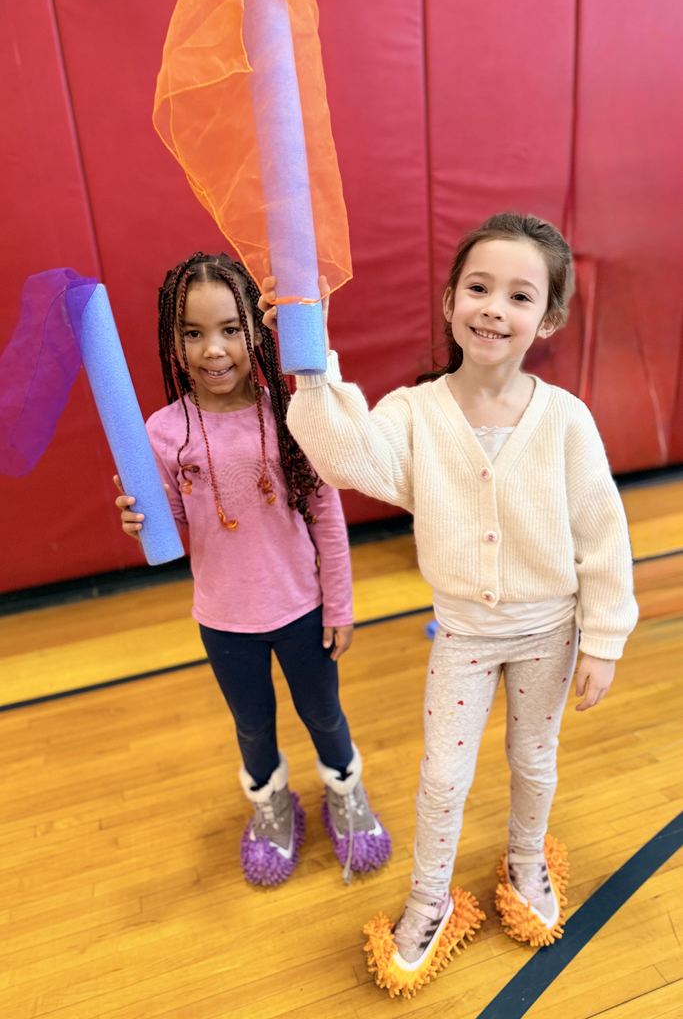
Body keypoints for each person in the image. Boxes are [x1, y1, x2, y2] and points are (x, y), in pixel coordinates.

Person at [269, 212, 637, 995]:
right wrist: (312, 370)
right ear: (448, 301)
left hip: (548, 633)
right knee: (442, 776)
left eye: (518, 295)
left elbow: (602, 533)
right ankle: (429, 899)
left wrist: (603, 639)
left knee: (533, 759)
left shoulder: (565, 421)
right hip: (463, 637)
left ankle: (527, 860)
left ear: (548, 319)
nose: (493, 308)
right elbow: (347, 457)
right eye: (477, 288)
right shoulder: (413, 414)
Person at [114, 252, 391, 888]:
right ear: (173, 341)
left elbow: (328, 520)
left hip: (302, 612)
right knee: (252, 724)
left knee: (324, 714)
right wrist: (139, 519)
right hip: (224, 620)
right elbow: (170, 525)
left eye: (231, 329)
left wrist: (340, 605)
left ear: (257, 333)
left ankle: (344, 789)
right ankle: (271, 804)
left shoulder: (292, 416)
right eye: (193, 332)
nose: (213, 350)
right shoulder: (164, 432)